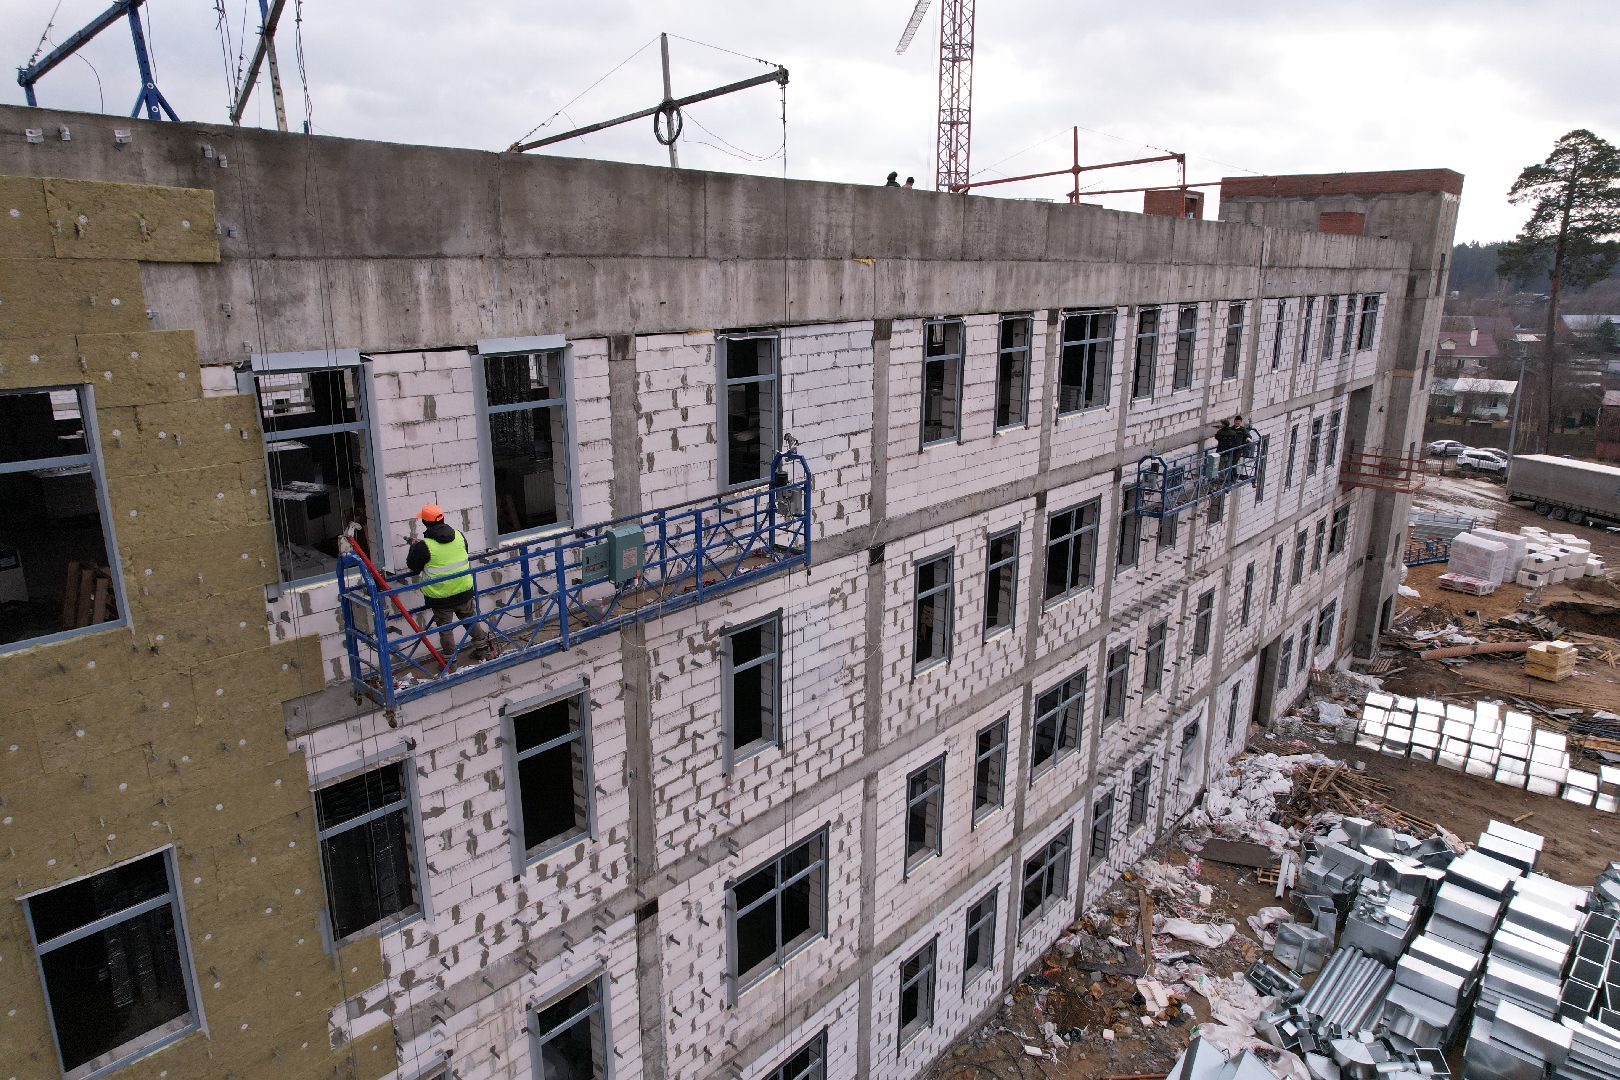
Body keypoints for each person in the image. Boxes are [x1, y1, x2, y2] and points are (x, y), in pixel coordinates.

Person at [406, 504, 492, 663]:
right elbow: (458, 554)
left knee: (445, 629)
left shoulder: (424, 546)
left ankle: (449, 661)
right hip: (463, 589)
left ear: (425, 523)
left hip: (441, 596)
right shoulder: (459, 535)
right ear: (442, 518)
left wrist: (414, 548)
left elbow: (413, 566)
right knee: (469, 619)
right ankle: (483, 649)